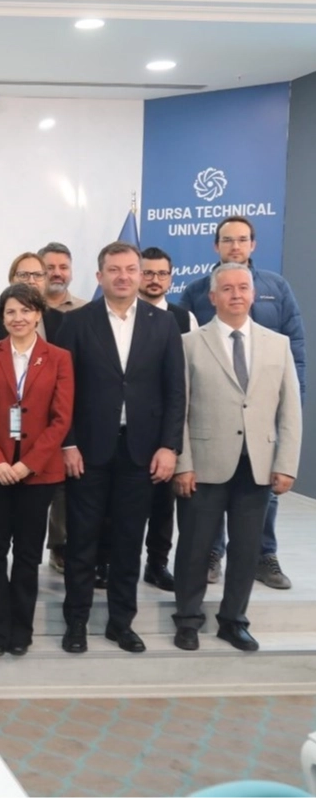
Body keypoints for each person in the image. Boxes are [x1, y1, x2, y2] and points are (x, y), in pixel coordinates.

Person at [57, 242, 185, 655]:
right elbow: (62, 391)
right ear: (100, 277)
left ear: (141, 274)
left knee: (130, 541)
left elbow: (176, 391)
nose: (124, 276)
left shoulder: (163, 323)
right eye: (114, 269)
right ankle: (76, 622)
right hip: (87, 451)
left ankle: (120, 623)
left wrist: (169, 447)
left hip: (141, 452)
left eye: (131, 269)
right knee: (82, 542)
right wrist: (68, 442)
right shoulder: (76, 323)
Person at [173, 264, 300, 653]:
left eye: (243, 287)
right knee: (195, 549)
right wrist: (183, 464)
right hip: (204, 465)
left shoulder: (277, 344)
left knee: (246, 551)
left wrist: (285, 463)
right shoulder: (189, 343)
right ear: (213, 297)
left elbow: (290, 410)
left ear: (253, 294)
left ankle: (233, 621)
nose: (236, 295)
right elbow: (180, 410)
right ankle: (188, 620)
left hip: (256, 466)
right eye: (226, 289)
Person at [179, 215, 305, 591]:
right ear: (216, 246)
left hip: (261, 419)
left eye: (242, 239)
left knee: (263, 495)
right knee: (211, 497)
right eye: (227, 239)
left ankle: (264, 555)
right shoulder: (196, 291)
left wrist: (292, 399)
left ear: (253, 244)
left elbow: (295, 346)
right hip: (214, 423)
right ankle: (212, 553)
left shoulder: (276, 287)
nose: (235, 246)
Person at [0, 284, 74, 656]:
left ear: (39, 314)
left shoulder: (58, 357)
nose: (18, 318)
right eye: (11, 311)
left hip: (38, 474)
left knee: (28, 555)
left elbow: (61, 420)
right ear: (2, 316)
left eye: (26, 311)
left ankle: (21, 630)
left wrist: (28, 464)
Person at [134, 247, 195, 593]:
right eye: (148, 272)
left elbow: (186, 379)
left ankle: (157, 564)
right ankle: (108, 561)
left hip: (165, 426)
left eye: (161, 273)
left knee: (162, 504)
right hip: (126, 426)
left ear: (171, 278)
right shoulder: (122, 315)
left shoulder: (184, 319)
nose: (154, 279)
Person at [7, 251, 70, 573]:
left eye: (37, 275)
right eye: (24, 275)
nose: (31, 281)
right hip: (2, 444)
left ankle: (58, 547)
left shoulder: (63, 323)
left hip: (48, 438)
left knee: (31, 541)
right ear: (12, 280)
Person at [40, 242, 90, 311]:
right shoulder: (27, 307)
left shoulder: (86, 309)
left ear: (71, 272)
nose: (57, 273)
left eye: (63, 268)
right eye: (50, 268)